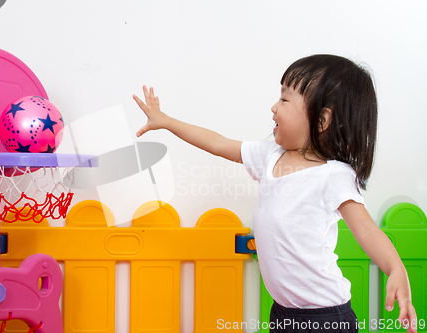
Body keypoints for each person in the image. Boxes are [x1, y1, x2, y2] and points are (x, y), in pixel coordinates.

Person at [133, 54, 417, 333]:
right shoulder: (269, 156)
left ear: (322, 121)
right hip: (282, 313)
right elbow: (218, 143)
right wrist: (167, 122)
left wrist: (395, 269)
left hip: (325, 319)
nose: (273, 107)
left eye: (284, 99)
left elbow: (367, 231)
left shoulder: (333, 176)